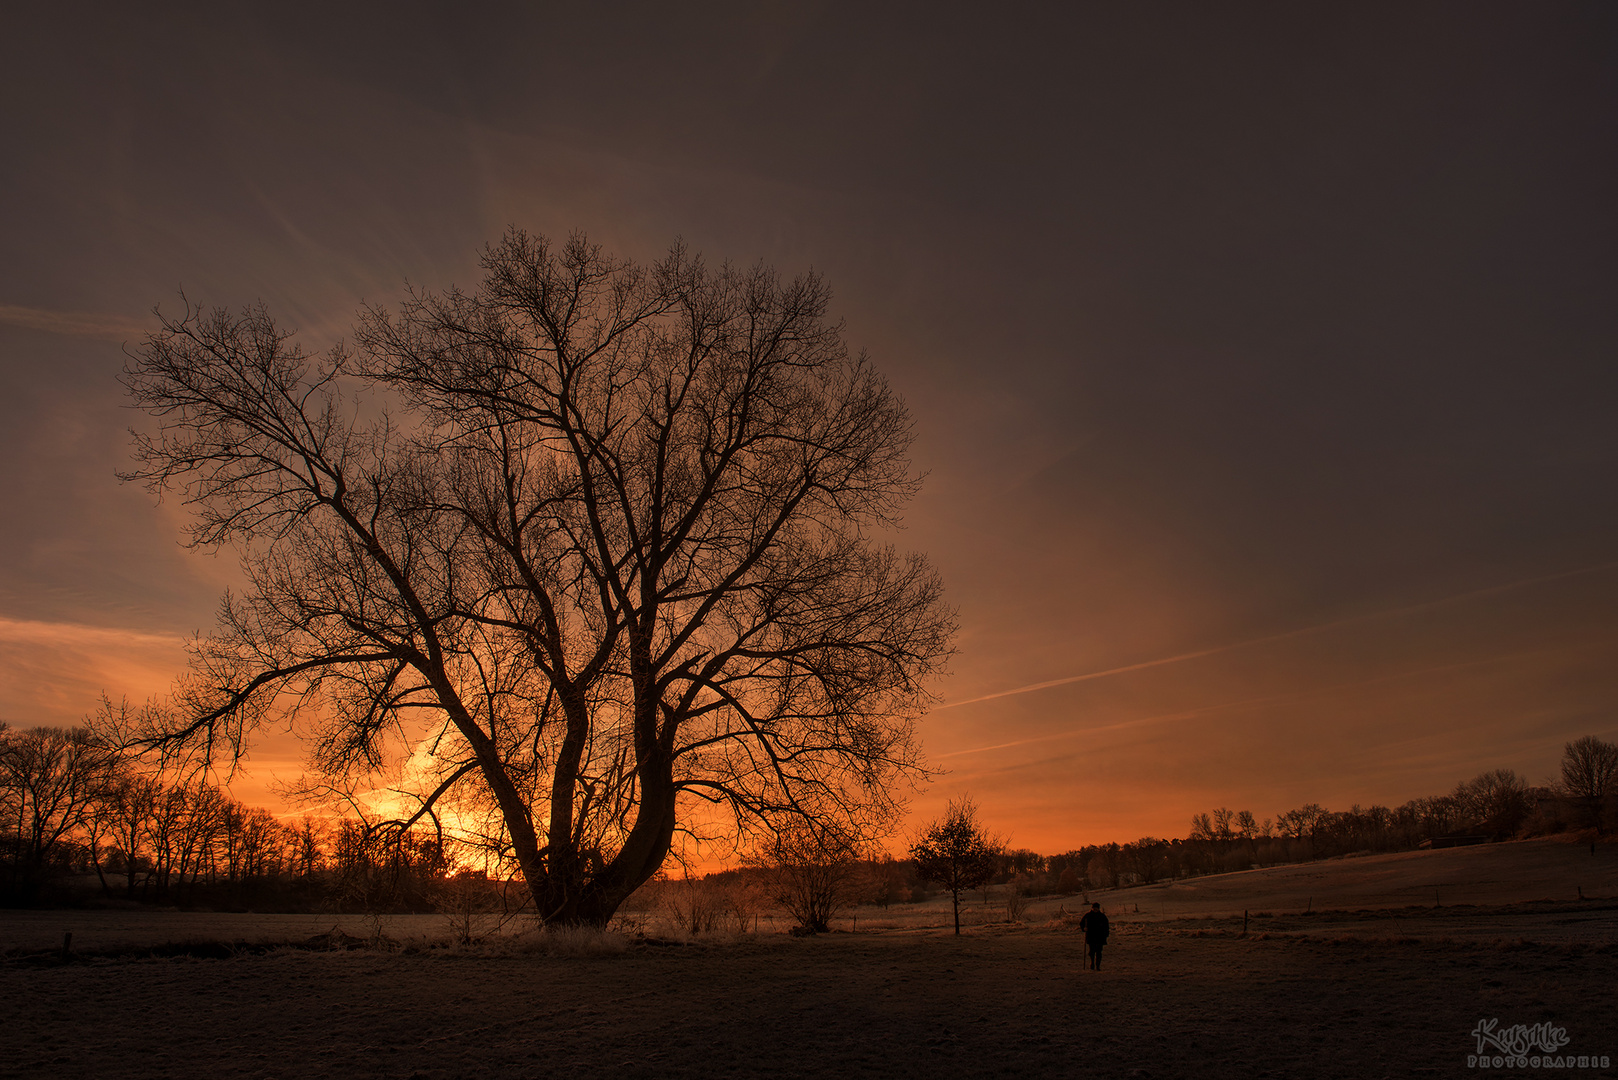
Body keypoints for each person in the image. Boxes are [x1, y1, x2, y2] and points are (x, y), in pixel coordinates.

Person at [1078, 902, 1110, 970]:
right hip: (1091, 936)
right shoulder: (1088, 915)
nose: (1095, 909)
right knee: (1092, 951)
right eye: (1094, 908)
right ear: (1092, 908)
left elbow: (1106, 926)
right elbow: (1081, 923)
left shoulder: (1102, 916)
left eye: (1096, 908)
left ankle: (1098, 966)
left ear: (1098, 908)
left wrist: (1106, 934)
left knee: (1099, 951)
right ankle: (1092, 963)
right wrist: (1084, 928)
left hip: (1100, 937)